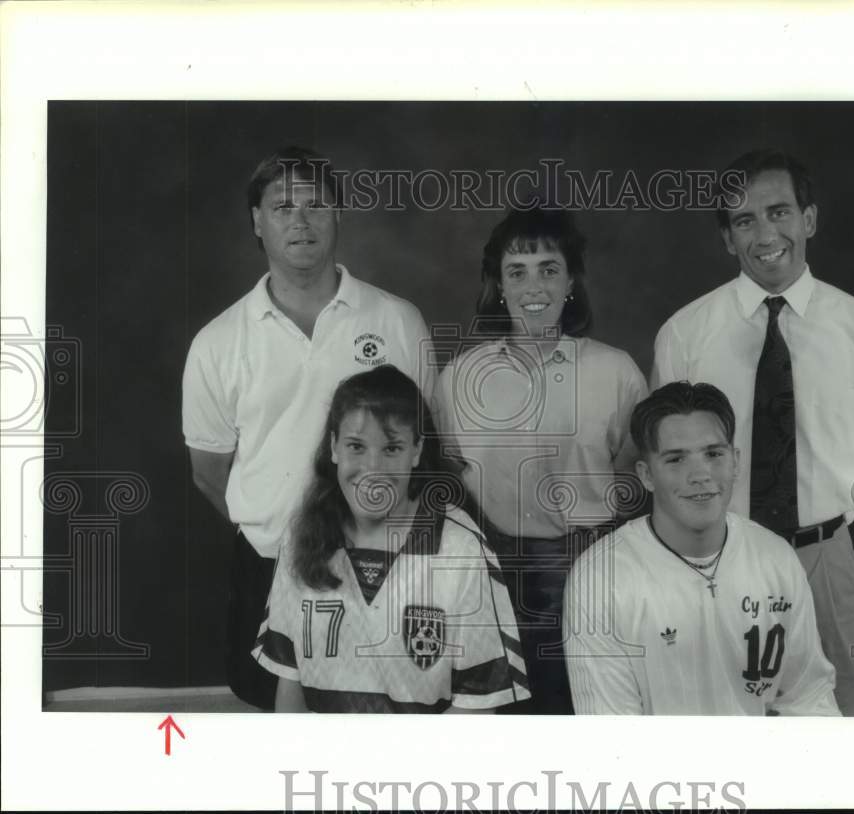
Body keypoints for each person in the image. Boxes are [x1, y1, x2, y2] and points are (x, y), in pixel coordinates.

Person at [182, 146, 434, 710]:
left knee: (380, 714)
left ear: (339, 215)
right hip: (269, 564)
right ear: (257, 221)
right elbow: (208, 471)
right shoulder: (218, 342)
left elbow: (425, 444)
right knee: (272, 709)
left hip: (381, 561)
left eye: (317, 205)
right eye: (282, 207)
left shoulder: (396, 319)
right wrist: (288, 529)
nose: (301, 221)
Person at [650, 149, 854, 715]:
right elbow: (670, 457)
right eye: (744, 220)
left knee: (830, 702)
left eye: (780, 212)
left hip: (823, 552)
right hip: (718, 552)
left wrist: (829, 525)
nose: (766, 233)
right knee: (723, 702)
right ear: (727, 240)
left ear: (808, 219)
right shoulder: (686, 333)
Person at [432, 206, 647, 714]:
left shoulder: (615, 373)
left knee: (583, 710)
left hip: (588, 567)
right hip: (492, 572)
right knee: (502, 715)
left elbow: (636, 482)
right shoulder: (459, 378)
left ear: (571, 281)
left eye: (550, 269)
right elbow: (450, 478)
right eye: (517, 271)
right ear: (498, 286)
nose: (535, 286)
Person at [253, 365, 529, 712]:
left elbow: (478, 705)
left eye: (392, 448)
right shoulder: (300, 537)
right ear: (334, 447)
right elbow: (289, 681)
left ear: (416, 451)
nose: (373, 468)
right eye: (356, 445)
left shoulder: (459, 548)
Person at [564, 381, 839, 715]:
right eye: (676, 459)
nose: (701, 475)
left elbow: (809, 696)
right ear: (646, 475)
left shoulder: (775, 557)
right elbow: (611, 735)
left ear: (735, 461)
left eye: (713, 454)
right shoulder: (601, 578)